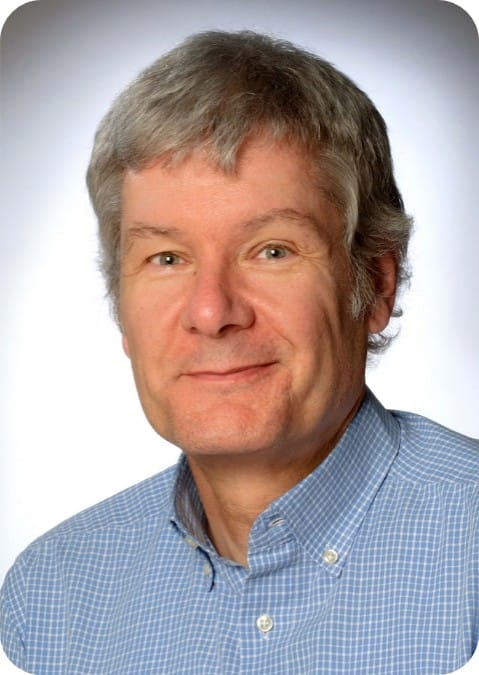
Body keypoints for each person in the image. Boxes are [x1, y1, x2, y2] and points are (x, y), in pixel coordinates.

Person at [1, 29, 478, 675]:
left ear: (374, 286)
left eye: (272, 250)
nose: (211, 311)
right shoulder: (48, 596)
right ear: (121, 305)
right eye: (166, 257)